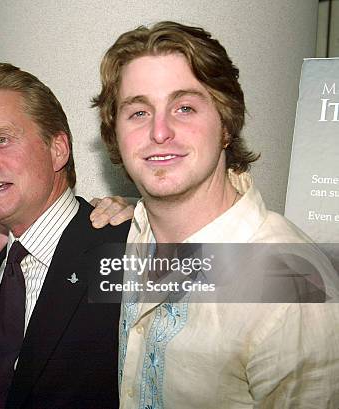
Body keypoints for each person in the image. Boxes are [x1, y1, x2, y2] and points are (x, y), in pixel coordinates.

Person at [91, 21, 339, 408]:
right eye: (138, 112)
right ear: (116, 135)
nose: (159, 132)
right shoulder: (135, 233)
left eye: (184, 107)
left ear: (225, 125)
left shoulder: (295, 289)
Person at [0, 62, 130, 409]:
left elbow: (259, 276)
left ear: (58, 149)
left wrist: (159, 213)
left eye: (1, 140)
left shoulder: (120, 250)